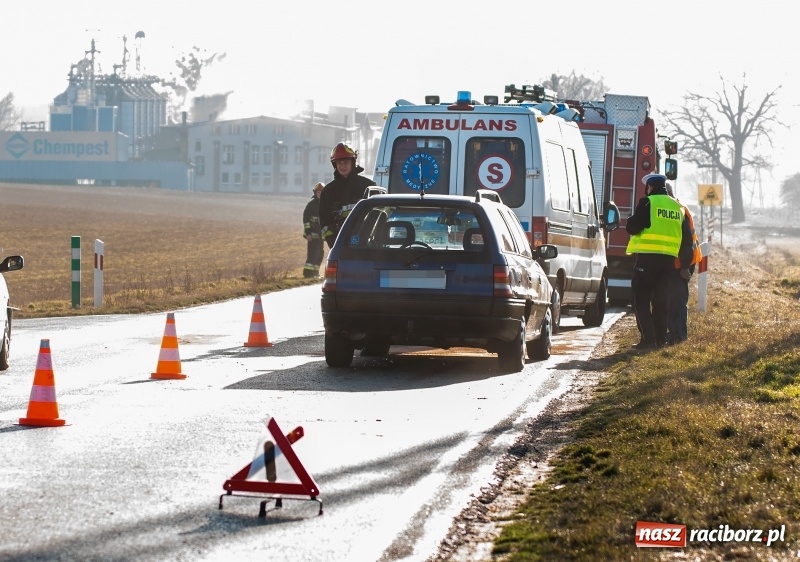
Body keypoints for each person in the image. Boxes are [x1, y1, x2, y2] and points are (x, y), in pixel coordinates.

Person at [625, 172, 692, 349]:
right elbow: (687, 239)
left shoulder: (648, 202)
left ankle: (648, 340)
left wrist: (631, 219)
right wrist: (685, 265)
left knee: (640, 298)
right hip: (668, 262)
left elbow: (633, 227)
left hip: (647, 259)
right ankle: (660, 339)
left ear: (650, 187)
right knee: (660, 301)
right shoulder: (678, 207)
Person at [665, 183, 703, 344]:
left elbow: (686, 242)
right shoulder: (676, 207)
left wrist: (685, 267)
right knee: (671, 300)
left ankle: (679, 336)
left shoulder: (677, 210)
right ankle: (673, 334)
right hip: (678, 262)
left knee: (677, 300)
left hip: (683, 262)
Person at [319, 142, 376, 248]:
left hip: (366, 247)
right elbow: (324, 222)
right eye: (339, 163)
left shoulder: (368, 186)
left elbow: (377, 216)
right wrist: (334, 245)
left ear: (353, 163)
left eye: (345, 162)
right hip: (340, 246)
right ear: (334, 165)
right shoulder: (328, 191)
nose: (342, 166)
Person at [302, 182, 325, 278]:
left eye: (321, 192)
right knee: (313, 253)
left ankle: (315, 272)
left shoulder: (325, 204)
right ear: (315, 193)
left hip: (321, 235)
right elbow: (306, 220)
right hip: (312, 234)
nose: (319, 194)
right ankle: (308, 274)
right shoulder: (311, 204)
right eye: (318, 192)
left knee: (320, 253)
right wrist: (308, 233)